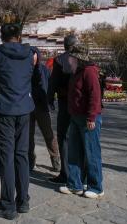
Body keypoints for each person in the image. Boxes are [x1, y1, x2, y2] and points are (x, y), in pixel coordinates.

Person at [0, 23, 40, 220]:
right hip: (24, 109)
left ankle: (8, 204)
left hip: (4, 110)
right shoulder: (29, 54)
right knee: (21, 155)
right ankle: (23, 200)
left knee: (6, 157)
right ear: (19, 35)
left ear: (2, 36)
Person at [58, 44, 104, 199]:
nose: (69, 60)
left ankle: (96, 187)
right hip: (76, 117)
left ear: (77, 59)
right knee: (74, 152)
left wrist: (91, 117)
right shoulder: (76, 72)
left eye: (71, 57)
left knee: (92, 153)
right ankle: (74, 184)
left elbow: (94, 96)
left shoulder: (89, 71)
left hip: (88, 119)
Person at [48, 33, 81, 184]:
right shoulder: (83, 59)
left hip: (65, 102)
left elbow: (53, 82)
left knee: (64, 137)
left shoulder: (59, 60)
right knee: (80, 137)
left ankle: (66, 173)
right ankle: (81, 175)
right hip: (80, 103)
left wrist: (50, 99)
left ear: (65, 45)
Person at [29, 47, 61, 172]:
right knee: (28, 136)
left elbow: (50, 86)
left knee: (49, 134)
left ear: (38, 56)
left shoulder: (44, 70)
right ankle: (30, 160)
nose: (32, 58)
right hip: (28, 107)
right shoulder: (25, 70)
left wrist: (50, 101)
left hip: (42, 106)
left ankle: (55, 160)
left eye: (34, 56)